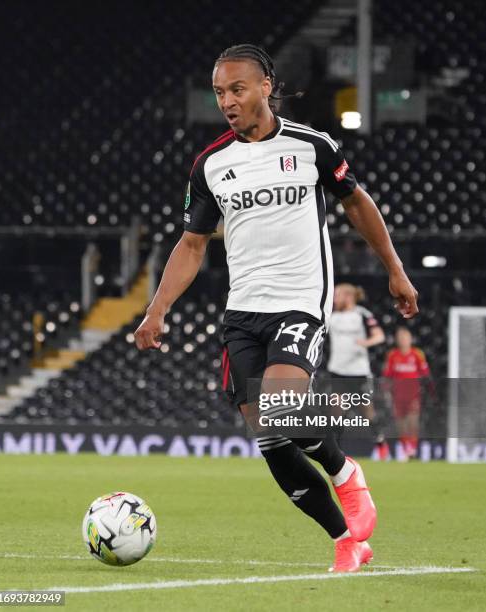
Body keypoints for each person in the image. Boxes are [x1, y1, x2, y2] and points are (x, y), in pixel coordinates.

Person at [134, 44, 419, 572]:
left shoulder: (313, 147)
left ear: (266, 85)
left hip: (299, 301)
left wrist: (395, 270)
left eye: (237, 89)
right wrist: (157, 309)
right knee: (269, 436)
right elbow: (192, 243)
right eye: (220, 92)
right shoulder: (211, 164)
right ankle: (345, 540)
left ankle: (343, 471)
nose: (227, 101)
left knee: (281, 408)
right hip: (242, 312)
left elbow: (357, 203)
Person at [327, 283, 389, 460]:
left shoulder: (362, 314)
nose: (334, 299)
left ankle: (381, 443)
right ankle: (336, 455)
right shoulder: (332, 316)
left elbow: (379, 335)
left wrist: (366, 343)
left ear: (348, 296)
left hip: (358, 372)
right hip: (338, 371)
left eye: (337, 295)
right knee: (337, 412)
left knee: (368, 413)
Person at [383, 327, 431, 460]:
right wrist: (386, 390)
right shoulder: (393, 355)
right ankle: (406, 450)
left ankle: (413, 449)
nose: (403, 340)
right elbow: (387, 375)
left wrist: (428, 390)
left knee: (413, 422)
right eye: (401, 338)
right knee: (401, 424)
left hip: (413, 394)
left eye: (406, 337)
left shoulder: (417, 354)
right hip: (398, 395)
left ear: (410, 339)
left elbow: (425, 374)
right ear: (397, 340)